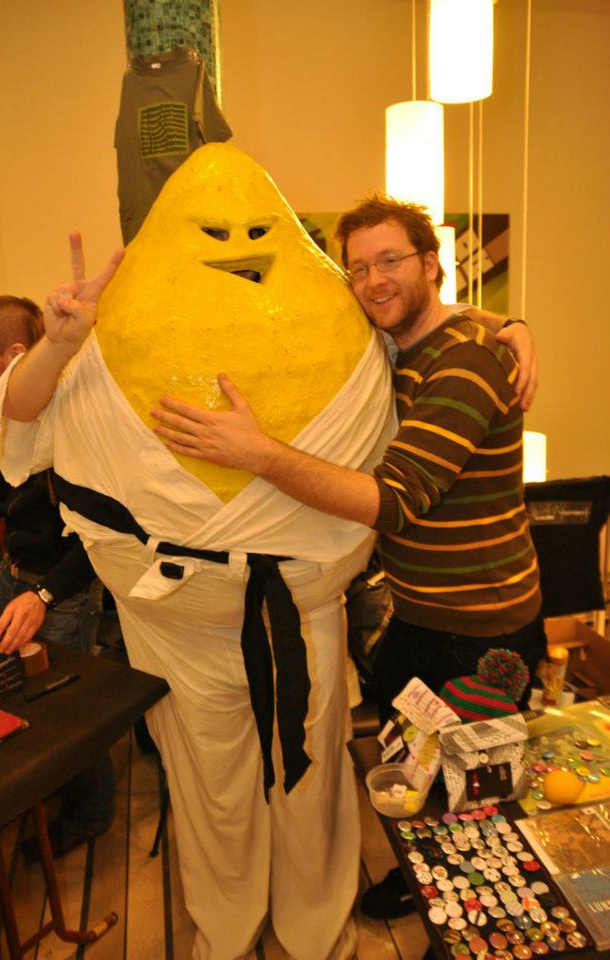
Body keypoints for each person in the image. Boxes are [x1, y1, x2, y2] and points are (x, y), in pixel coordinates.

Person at [147, 194, 547, 919]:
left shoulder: (466, 362)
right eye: (358, 268)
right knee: (417, 772)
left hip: (482, 630)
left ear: (432, 264)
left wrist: (258, 454)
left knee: (478, 799)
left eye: (391, 260)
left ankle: (473, 921)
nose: (373, 281)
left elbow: (393, 500)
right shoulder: (399, 348)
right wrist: (510, 320)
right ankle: (427, 876)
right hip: (419, 615)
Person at [0, 295, 115, 858]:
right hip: (15, 574)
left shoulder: (79, 412)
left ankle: (89, 815)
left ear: (13, 356)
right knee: (12, 692)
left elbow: (101, 534)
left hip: (68, 587)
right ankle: (41, 786)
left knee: (69, 712)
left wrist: (44, 595)